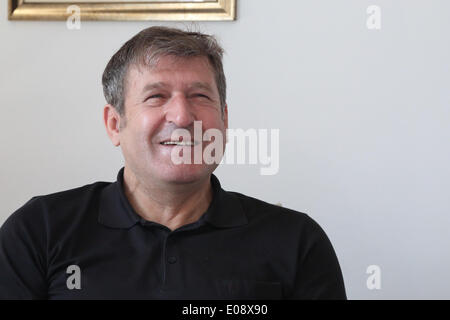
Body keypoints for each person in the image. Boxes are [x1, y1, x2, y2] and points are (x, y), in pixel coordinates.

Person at [0, 26, 346, 299]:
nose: (182, 116)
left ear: (223, 120)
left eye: (199, 95)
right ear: (114, 124)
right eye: (156, 96)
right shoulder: (39, 230)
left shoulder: (297, 241)